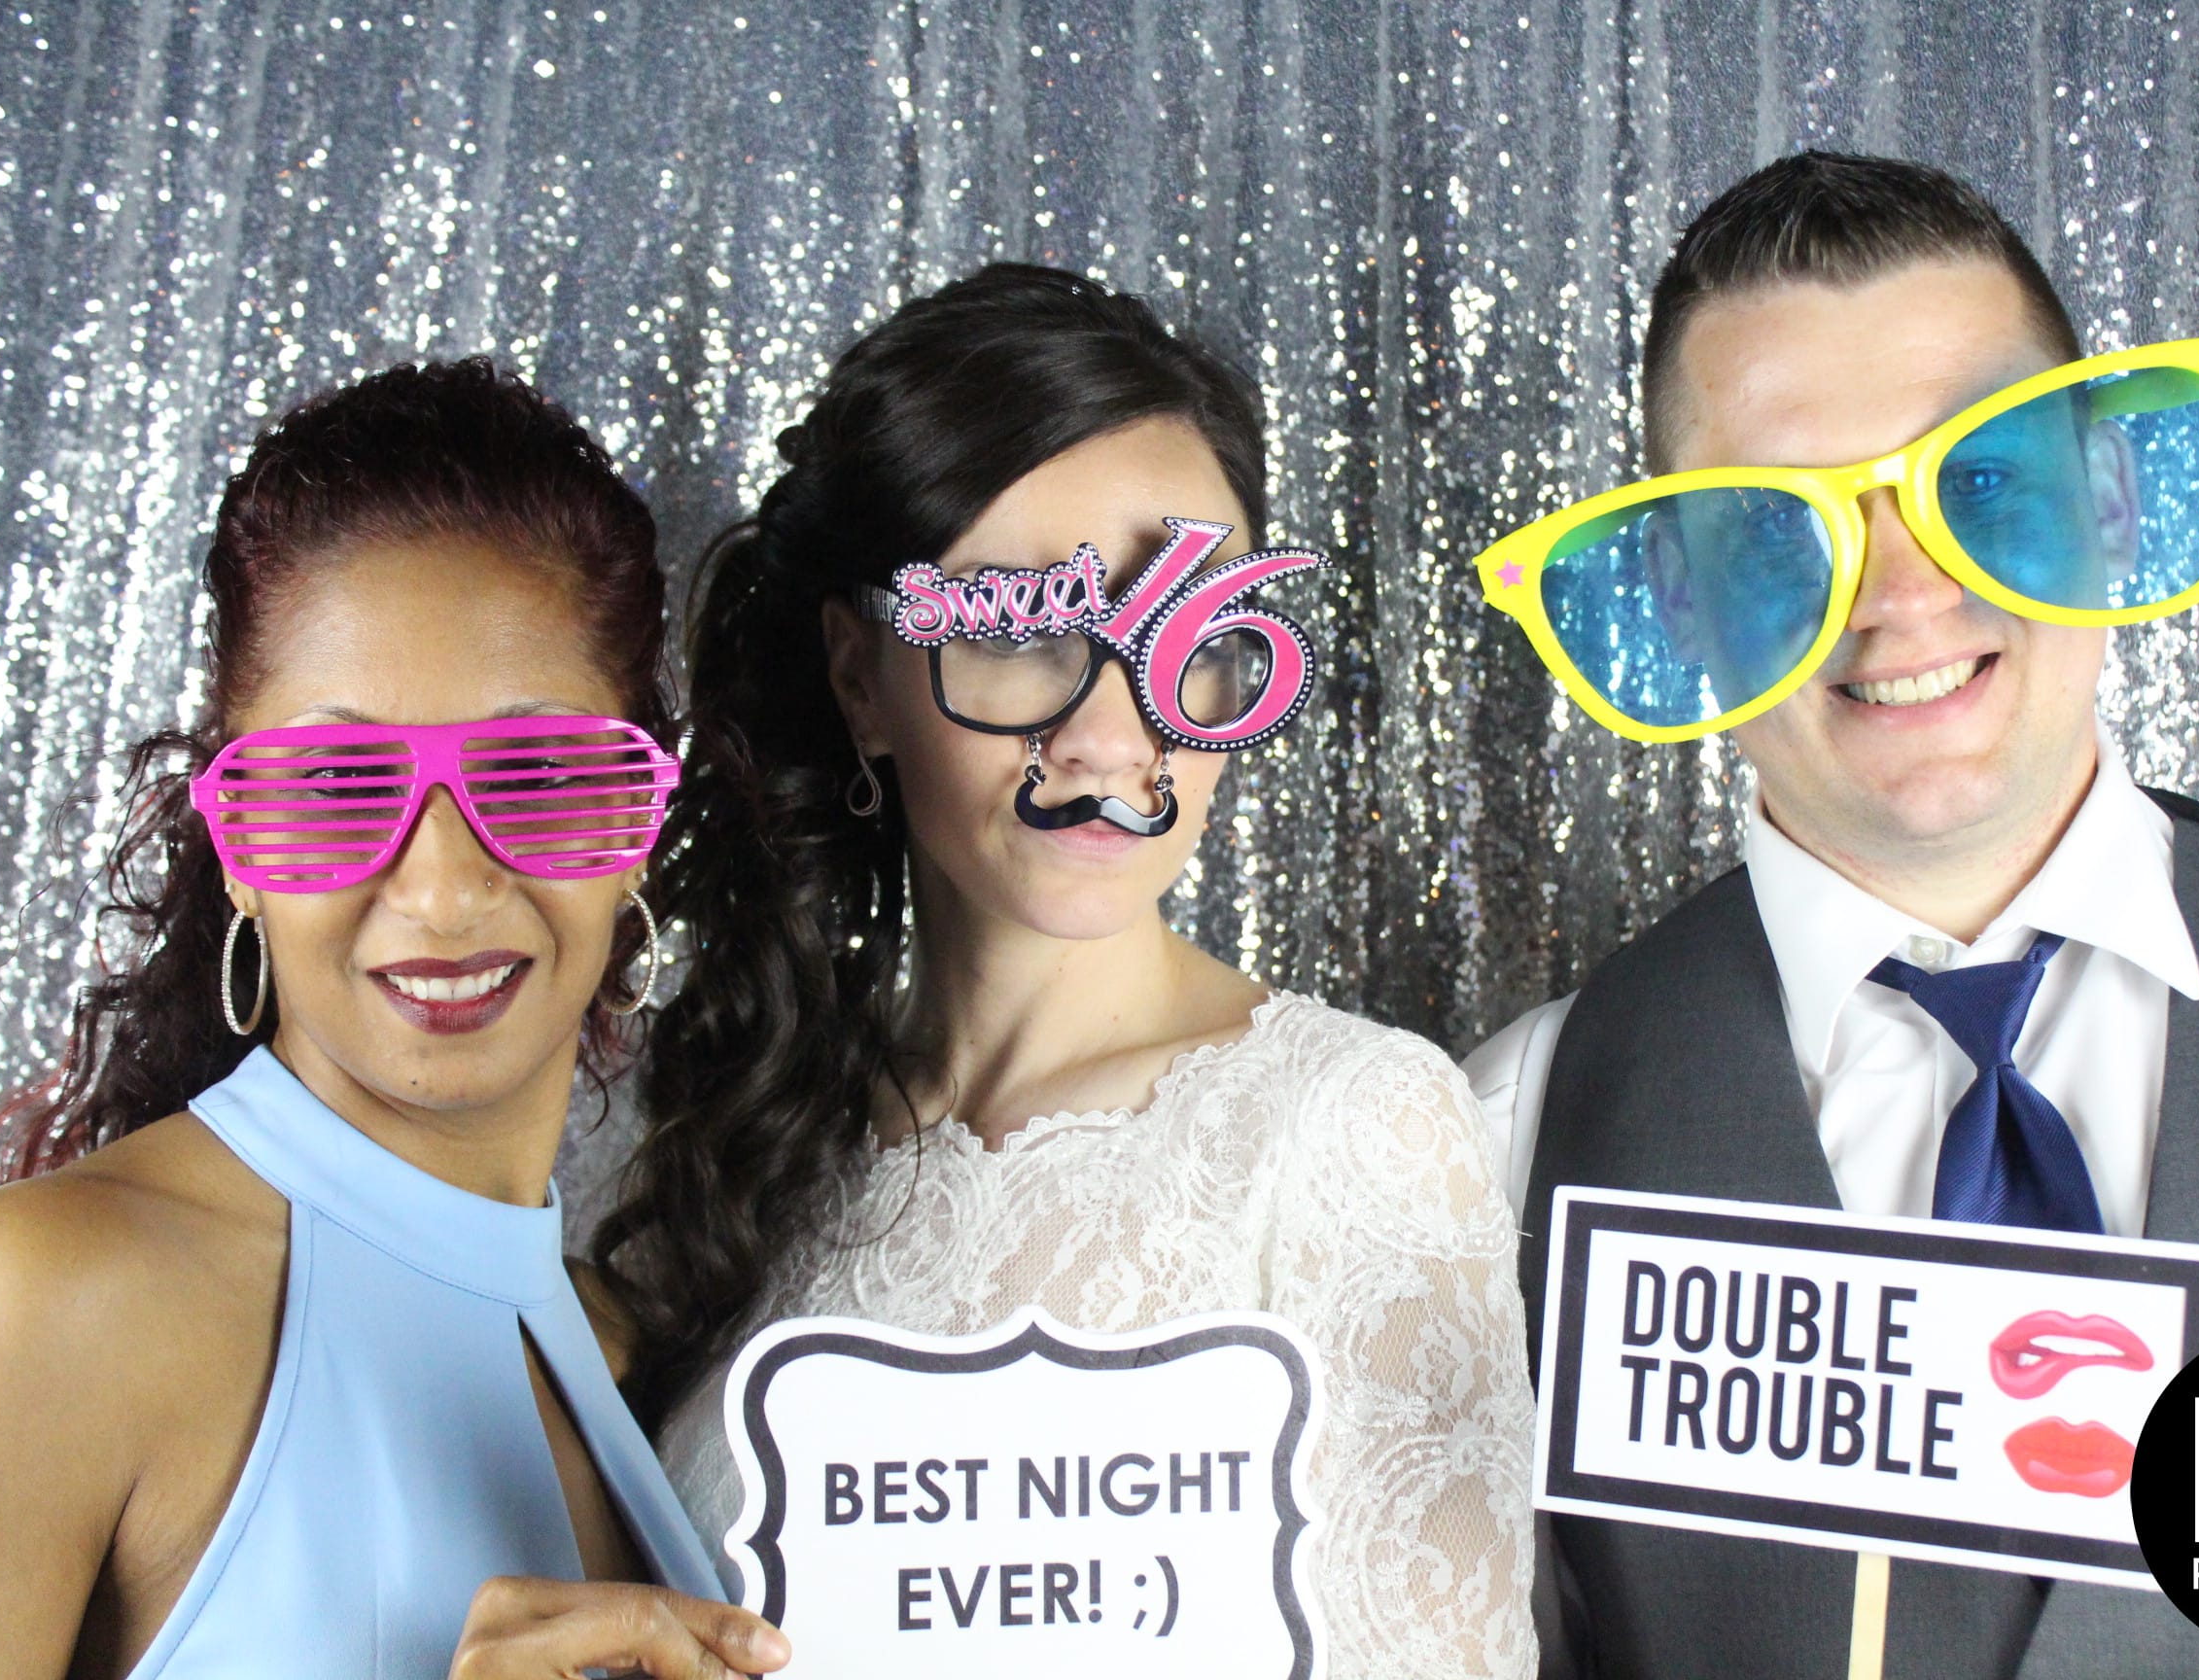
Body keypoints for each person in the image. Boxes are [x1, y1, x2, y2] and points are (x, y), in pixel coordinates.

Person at [1464, 152, 2199, 1677]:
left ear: (2110, 500)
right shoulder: (1507, 1136)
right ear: (1680, 600)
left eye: (1987, 478)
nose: (1901, 596)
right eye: (1774, 529)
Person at [593, 262, 1539, 1677]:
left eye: (1194, 639)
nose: (1112, 738)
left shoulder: (1355, 1127)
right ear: (859, 678)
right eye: (1025, 632)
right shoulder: (745, 1140)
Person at [0, 361, 787, 1679]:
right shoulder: (51, 1299)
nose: (443, 887)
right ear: (236, 844)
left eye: (537, 774)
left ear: (640, 826)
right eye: (338, 784)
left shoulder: (638, 1356)